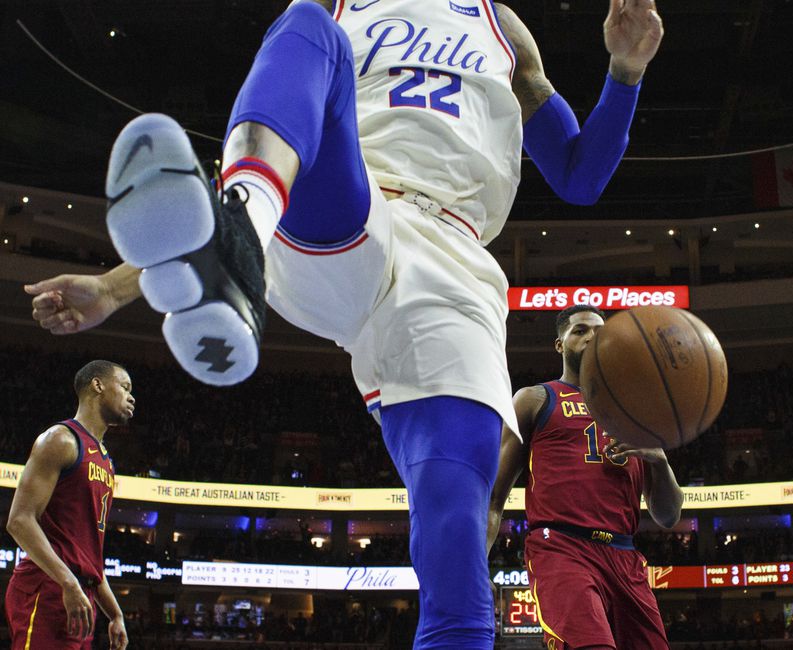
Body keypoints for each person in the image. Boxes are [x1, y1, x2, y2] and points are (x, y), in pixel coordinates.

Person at [26, 1, 663, 646]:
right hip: (349, 218)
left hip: (453, 266)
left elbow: (581, 177)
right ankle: (243, 226)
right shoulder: (337, 6)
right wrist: (112, 285)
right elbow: (286, 139)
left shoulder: (504, 28)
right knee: (307, 26)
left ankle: (240, 236)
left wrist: (625, 71)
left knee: (456, 549)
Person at [487, 304, 682, 649]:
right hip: (562, 548)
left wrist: (660, 462)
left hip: (625, 555)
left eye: (599, 332)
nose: (592, 337)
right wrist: (474, 566)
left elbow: (668, 516)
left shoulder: (636, 412)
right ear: (559, 345)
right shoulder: (535, 399)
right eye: (580, 331)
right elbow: (493, 500)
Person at [4, 360, 133, 650]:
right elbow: (19, 521)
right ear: (97, 385)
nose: (131, 396)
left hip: (79, 594)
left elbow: (89, 556)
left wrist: (115, 614)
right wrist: (68, 583)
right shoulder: (61, 439)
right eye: (125, 387)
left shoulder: (106, 461)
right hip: (47, 586)